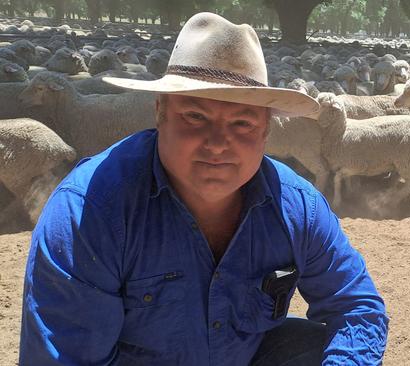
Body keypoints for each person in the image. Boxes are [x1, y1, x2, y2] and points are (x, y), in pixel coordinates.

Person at [19, 12, 388, 366]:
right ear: (160, 112)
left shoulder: (298, 207)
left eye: (242, 123)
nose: (217, 143)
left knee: (312, 348)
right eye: (195, 116)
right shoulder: (89, 214)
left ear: (266, 131)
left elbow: (358, 306)